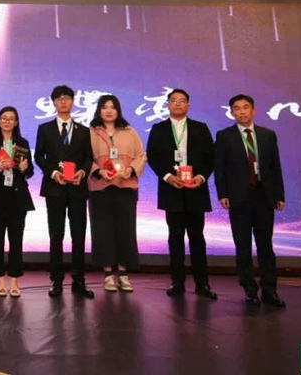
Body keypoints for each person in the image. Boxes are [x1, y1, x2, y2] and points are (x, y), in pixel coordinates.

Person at [214, 94, 287, 308]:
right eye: (237, 108)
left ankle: (270, 290)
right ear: (232, 113)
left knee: (266, 246)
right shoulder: (224, 136)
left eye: (246, 107)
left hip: (264, 197)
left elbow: (275, 167)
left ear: (253, 110)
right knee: (243, 247)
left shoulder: (267, 135)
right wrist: (223, 193)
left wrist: (279, 195)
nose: (242, 111)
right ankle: (249, 289)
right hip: (239, 198)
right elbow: (220, 168)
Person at [146, 88, 217, 299]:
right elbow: (153, 157)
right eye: (174, 100)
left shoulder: (200, 128)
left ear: (188, 105)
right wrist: (168, 176)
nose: (178, 104)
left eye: (182, 100)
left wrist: (201, 177)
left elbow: (210, 157)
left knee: (197, 238)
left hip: (196, 189)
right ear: (168, 104)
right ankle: (177, 283)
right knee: (175, 238)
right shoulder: (158, 129)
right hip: (172, 189)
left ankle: (202, 284)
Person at [34, 85, 95, 299]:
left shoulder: (83, 130)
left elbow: (89, 158)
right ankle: (56, 280)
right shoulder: (45, 129)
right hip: (54, 188)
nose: (63, 101)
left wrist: (82, 172)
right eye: (59, 98)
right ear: (53, 102)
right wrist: (53, 173)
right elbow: (38, 156)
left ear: (73, 101)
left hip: (77, 188)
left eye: (67, 98)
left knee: (78, 236)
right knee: (56, 235)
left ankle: (78, 280)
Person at [88, 95, 147, 292]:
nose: (109, 111)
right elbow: (84, 158)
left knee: (125, 230)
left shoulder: (130, 132)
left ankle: (123, 273)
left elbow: (141, 156)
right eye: (104, 107)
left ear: (118, 110)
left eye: (112, 107)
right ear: (99, 110)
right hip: (100, 188)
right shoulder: (91, 132)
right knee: (102, 231)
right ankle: (108, 274)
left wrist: (130, 170)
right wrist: (98, 171)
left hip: (125, 187)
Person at [0, 106, 34, 298]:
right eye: (4, 118)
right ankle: (0, 279)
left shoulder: (23, 143)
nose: (7, 121)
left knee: (16, 241)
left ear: (16, 122)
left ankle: (15, 280)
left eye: (11, 119)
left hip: (17, 198)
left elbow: (30, 172)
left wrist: (25, 168)